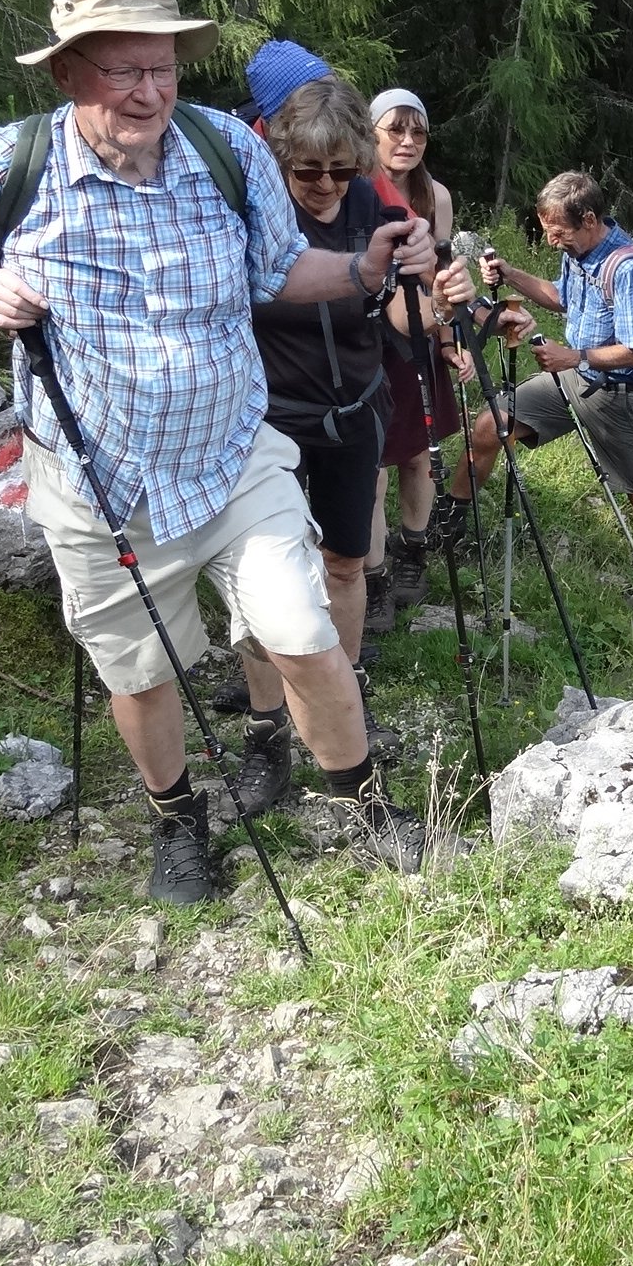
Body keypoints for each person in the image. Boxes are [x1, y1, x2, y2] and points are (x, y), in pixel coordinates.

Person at [0, 0, 433, 901]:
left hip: (235, 456)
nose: (149, 92)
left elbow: (282, 270)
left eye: (161, 69)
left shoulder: (225, 146)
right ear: (68, 73)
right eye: (123, 71)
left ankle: (362, 803)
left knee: (303, 633)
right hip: (99, 481)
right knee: (141, 671)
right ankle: (177, 822)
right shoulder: (19, 162)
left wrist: (363, 269)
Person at [232, 77, 471, 818]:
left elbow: (404, 318)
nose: (326, 186)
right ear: (281, 160)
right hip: (269, 417)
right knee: (261, 577)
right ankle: (267, 730)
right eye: (309, 171)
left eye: (341, 170)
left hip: (356, 411)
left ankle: (345, 699)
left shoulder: (374, 206)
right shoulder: (253, 211)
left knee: (344, 561)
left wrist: (441, 304)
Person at [431, 170, 633, 612]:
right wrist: (510, 274)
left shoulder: (629, 270)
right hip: (574, 379)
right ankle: (448, 528)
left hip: (621, 395)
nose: (552, 241)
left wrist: (572, 356)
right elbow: (560, 297)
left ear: (588, 219)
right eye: (548, 231)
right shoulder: (579, 251)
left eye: (558, 232)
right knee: (490, 426)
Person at [359, 88, 462, 637]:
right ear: (371, 133)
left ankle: (413, 552)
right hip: (367, 337)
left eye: (417, 132)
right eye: (395, 129)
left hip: (419, 332)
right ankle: (373, 579)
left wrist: (448, 339)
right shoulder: (354, 186)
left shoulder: (434, 195)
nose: (407, 141)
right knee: (372, 465)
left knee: (419, 455)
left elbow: (437, 276)